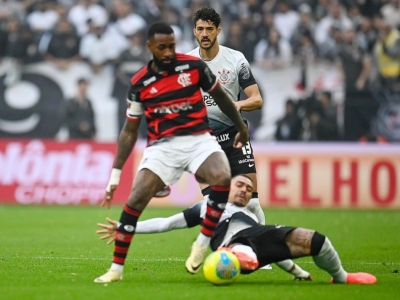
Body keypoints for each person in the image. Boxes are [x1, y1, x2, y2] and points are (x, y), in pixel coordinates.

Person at [94, 22, 250, 283]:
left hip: (199, 139)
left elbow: (222, 98)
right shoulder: (140, 82)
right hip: (162, 147)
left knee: (222, 177)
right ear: (150, 47)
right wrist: (115, 175)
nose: (168, 52)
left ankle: (201, 243)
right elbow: (129, 131)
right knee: (135, 200)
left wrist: (240, 127)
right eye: (162, 47)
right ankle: (116, 270)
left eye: (172, 46)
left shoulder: (194, 67)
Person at [97, 174, 377, 285]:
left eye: (248, 189)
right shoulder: (207, 205)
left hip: (255, 242)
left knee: (316, 240)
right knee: (243, 243)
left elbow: (274, 250)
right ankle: (232, 254)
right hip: (231, 240)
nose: (244, 191)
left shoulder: (251, 212)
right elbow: (166, 223)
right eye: (239, 186)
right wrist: (126, 227)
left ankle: (341, 278)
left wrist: (298, 272)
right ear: (227, 187)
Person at [185, 7, 265, 226]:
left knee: (251, 204)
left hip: (235, 138)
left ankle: (262, 253)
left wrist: (237, 105)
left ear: (218, 30)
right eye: (200, 29)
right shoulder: (186, 64)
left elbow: (256, 99)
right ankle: (231, 248)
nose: (204, 34)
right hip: (204, 143)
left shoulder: (236, 60)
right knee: (214, 205)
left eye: (209, 29)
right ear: (194, 32)